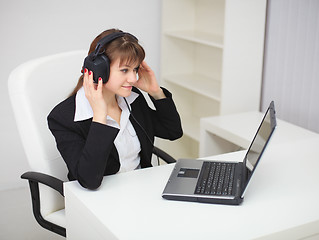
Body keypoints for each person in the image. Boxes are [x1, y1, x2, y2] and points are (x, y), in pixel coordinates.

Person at [47, 28, 183, 190]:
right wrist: (99, 117)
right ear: (99, 70)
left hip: (141, 188)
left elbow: (172, 132)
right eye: (125, 70)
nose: (133, 79)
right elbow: (89, 181)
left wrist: (156, 93)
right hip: (101, 198)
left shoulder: (132, 98)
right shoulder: (64, 118)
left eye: (135, 69)